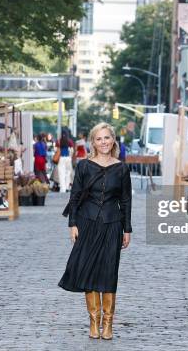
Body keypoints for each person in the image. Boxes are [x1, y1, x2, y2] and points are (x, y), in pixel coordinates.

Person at [58, 122, 132, 340]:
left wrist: (127, 229)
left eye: (107, 138)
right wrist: (73, 224)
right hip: (87, 223)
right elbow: (75, 196)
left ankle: (108, 324)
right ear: (93, 142)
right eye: (99, 139)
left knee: (109, 272)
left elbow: (126, 200)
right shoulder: (83, 166)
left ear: (113, 140)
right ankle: (93, 322)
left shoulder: (121, 168)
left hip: (112, 224)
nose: (103, 143)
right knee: (88, 271)